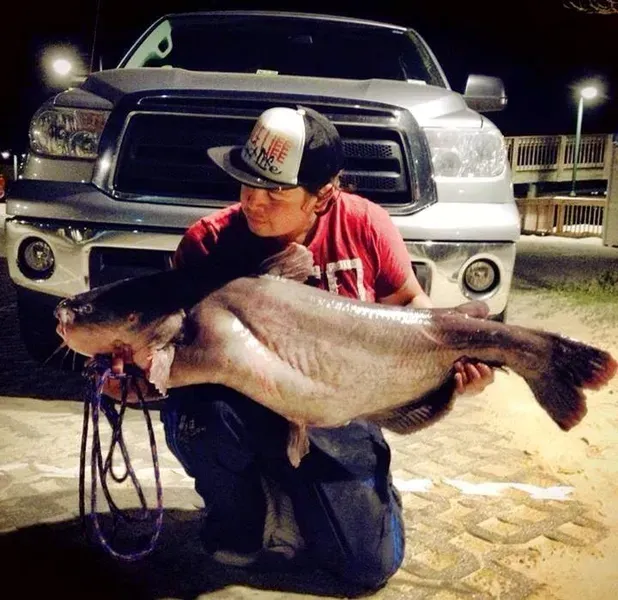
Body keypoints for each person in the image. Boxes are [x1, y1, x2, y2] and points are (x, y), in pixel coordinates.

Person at [131, 106, 494, 591]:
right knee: (200, 420)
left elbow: (411, 309)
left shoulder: (365, 225)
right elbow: (169, 345)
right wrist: (127, 378)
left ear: (324, 194)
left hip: (335, 412)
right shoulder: (208, 241)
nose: (253, 201)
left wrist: (450, 370)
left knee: (365, 567)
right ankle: (241, 510)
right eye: (246, 182)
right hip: (243, 408)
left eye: (275, 190)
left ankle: (346, 496)